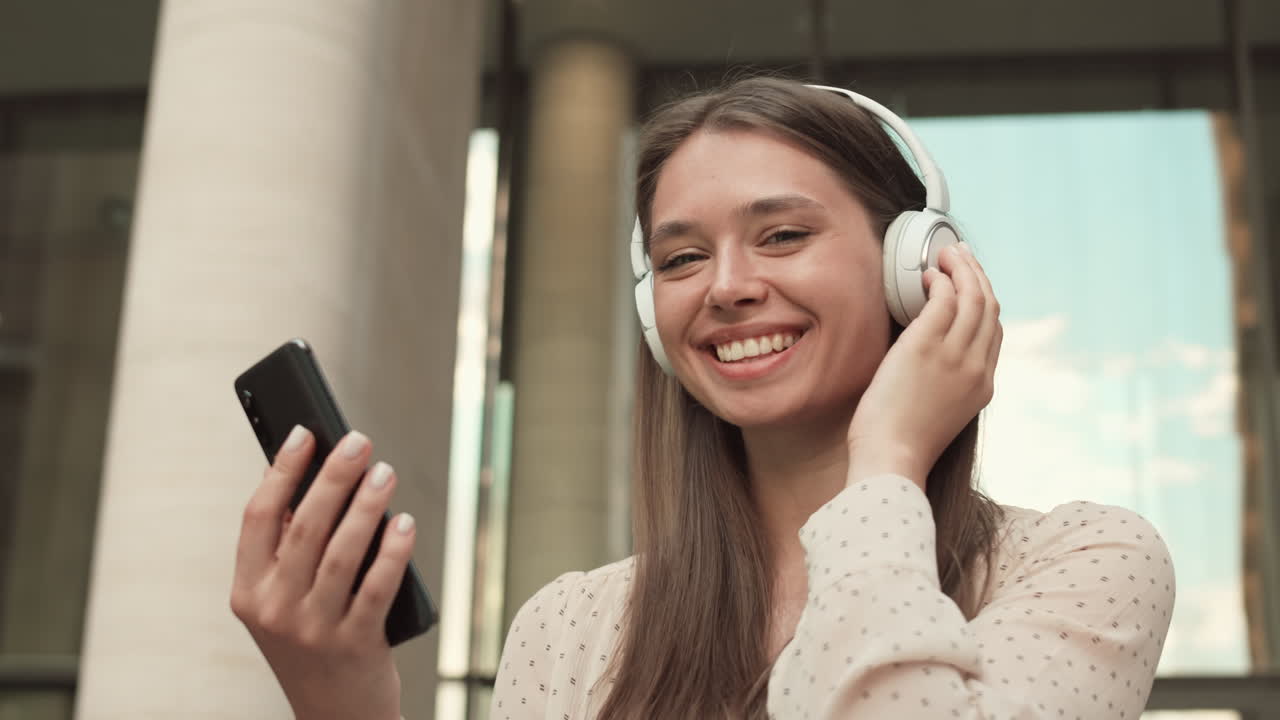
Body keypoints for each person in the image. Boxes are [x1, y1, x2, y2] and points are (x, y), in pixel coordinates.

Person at [231, 77, 1175, 720]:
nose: (725, 287)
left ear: (917, 271)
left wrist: (884, 465)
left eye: (781, 236)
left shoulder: (1084, 565)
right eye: (683, 258)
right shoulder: (570, 627)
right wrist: (345, 704)